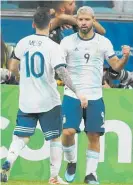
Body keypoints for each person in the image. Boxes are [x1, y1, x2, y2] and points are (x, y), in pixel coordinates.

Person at [0, 7, 87, 184]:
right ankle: (54, 177)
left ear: (33, 24)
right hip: (49, 101)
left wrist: (18, 77)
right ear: (49, 24)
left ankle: (9, 161)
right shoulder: (53, 47)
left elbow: (13, 67)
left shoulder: (23, 42)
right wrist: (78, 92)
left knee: (21, 137)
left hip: (26, 100)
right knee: (55, 138)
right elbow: (61, 72)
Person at [60, 6, 130, 184]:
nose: (83, 23)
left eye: (87, 20)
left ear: (93, 20)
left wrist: (125, 57)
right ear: (76, 20)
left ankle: (91, 174)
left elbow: (115, 66)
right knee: (67, 132)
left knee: (94, 135)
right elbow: (60, 68)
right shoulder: (67, 42)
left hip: (95, 96)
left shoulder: (103, 42)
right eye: (80, 19)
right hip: (72, 94)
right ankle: (71, 161)